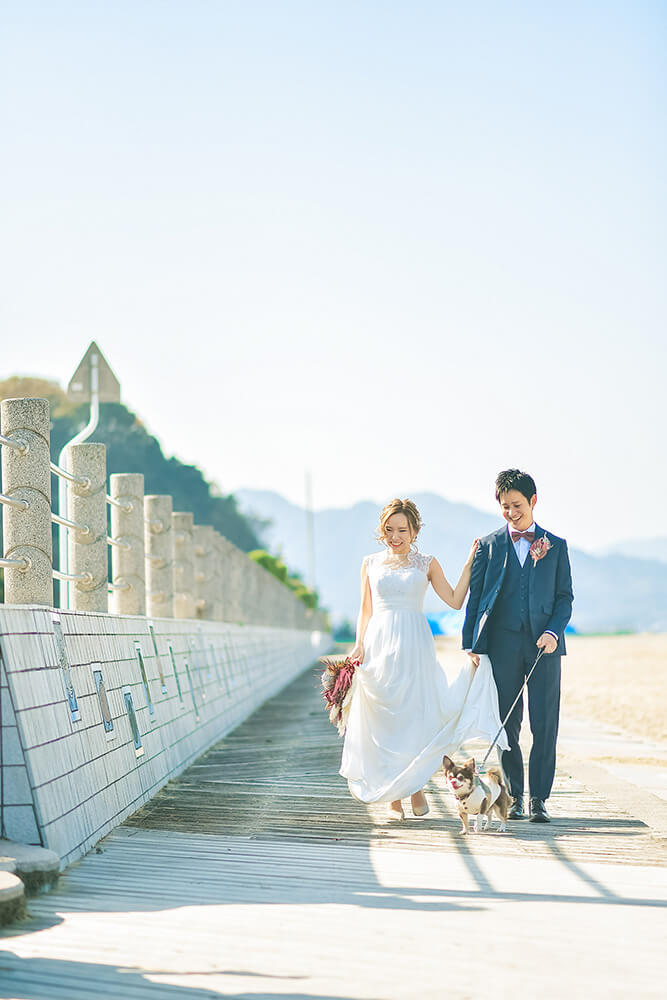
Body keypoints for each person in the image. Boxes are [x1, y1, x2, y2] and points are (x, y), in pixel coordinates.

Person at [340, 498, 508, 820]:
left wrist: (469, 565)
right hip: (379, 643)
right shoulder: (370, 563)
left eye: (402, 530)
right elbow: (365, 610)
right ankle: (393, 797)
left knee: (414, 716)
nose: (395, 536)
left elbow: (455, 601)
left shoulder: (427, 563)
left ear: (415, 531)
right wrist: (359, 645)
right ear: (382, 530)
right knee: (385, 718)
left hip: (415, 646)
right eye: (389, 530)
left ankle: (414, 787)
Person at [462, 469, 574, 823]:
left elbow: (564, 598)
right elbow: (476, 598)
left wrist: (554, 632)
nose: (511, 512)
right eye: (505, 506)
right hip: (502, 645)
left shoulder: (555, 546)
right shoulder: (489, 545)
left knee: (545, 723)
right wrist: (472, 646)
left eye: (517, 505)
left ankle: (539, 799)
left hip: (545, 647)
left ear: (533, 501)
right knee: (509, 725)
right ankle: (513, 797)